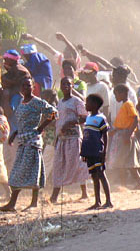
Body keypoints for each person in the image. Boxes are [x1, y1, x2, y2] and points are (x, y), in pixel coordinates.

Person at [0, 78, 57, 212]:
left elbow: (54, 113)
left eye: (28, 86)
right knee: (16, 172)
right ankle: (13, 203)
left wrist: (40, 127)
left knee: (32, 172)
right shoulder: (21, 102)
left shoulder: (37, 102)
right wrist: (15, 133)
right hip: (22, 140)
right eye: (24, 86)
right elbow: (22, 122)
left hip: (33, 141)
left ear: (32, 87)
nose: (26, 88)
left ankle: (32, 203)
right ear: (21, 88)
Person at [50, 77, 90, 203]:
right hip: (62, 138)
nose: (65, 86)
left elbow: (84, 117)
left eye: (68, 84)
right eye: (63, 84)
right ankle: (54, 196)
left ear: (72, 86)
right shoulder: (60, 102)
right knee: (58, 165)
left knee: (77, 164)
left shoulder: (76, 101)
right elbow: (57, 119)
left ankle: (84, 192)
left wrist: (73, 122)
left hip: (73, 137)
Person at [108, 84, 140, 189]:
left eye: (116, 95)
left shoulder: (128, 104)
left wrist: (128, 135)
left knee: (125, 161)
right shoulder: (124, 105)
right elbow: (124, 121)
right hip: (121, 134)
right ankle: (130, 183)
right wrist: (115, 130)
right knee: (125, 162)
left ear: (123, 93)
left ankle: (129, 183)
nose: (116, 97)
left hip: (125, 136)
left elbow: (134, 119)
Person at [80, 94, 113, 210]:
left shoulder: (101, 118)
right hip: (89, 152)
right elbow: (86, 137)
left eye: (87, 102)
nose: (85, 104)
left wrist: (104, 151)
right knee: (94, 176)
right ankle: (97, 201)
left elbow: (105, 135)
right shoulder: (88, 118)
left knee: (101, 175)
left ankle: (108, 201)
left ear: (94, 104)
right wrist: (83, 152)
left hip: (97, 151)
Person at [1, 50, 32, 130]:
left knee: (12, 119)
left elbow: (10, 81)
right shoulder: (14, 68)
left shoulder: (20, 70)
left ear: (11, 60)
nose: (4, 62)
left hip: (17, 97)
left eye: (6, 59)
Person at [0, 107, 11, 199]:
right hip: (1, 145)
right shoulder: (4, 119)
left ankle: (8, 192)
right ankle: (8, 192)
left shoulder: (1, 120)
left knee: (1, 171)